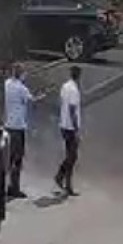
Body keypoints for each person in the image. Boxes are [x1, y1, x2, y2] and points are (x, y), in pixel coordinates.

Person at [2, 62, 38, 198]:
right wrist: (39, 97)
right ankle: (14, 188)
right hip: (18, 127)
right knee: (17, 159)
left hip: (7, 125)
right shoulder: (22, 89)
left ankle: (4, 186)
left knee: (8, 159)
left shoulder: (6, 84)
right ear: (21, 74)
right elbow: (31, 102)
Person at [54, 64, 81, 196]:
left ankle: (63, 180)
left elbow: (62, 103)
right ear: (79, 76)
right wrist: (76, 128)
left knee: (70, 155)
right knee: (72, 156)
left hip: (63, 125)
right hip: (70, 127)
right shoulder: (74, 90)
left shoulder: (64, 87)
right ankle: (63, 179)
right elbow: (72, 109)